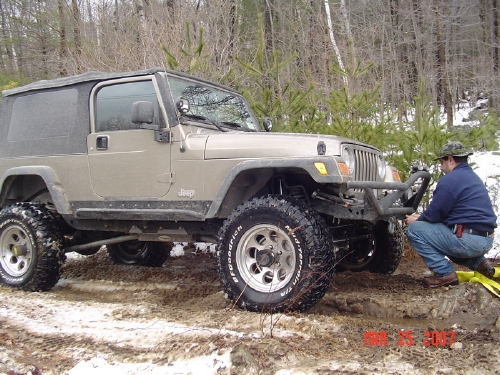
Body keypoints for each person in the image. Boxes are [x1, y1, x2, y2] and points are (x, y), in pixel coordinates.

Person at [404, 141, 497, 288]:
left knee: (414, 230)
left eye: (442, 162)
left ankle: (444, 274)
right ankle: (480, 264)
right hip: (485, 239)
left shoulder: (450, 180)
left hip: (468, 240)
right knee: (444, 237)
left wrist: (414, 221)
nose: (441, 167)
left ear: (451, 159)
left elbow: (435, 214)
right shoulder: (472, 177)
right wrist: (421, 218)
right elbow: (448, 216)